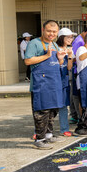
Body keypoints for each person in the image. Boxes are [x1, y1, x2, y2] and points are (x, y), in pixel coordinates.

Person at [24, 20, 66, 149]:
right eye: (49, 31)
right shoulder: (34, 43)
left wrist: (60, 59)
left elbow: (58, 63)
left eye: (54, 32)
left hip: (54, 83)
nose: (51, 34)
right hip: (41, 84)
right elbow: (28, 60)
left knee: (53, 110)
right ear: (43, 30)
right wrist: (47, 55)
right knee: (42, 111)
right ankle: (39, 139)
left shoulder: (54, 44)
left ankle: (48, 135)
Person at [56, 28, 76, 136]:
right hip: (54, 81)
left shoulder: (69, 50)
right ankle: (40, 131)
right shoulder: (55, 49)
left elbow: (69, 68)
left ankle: (64, 129)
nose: (70, 39)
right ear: (61, 37)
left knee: (64, 106)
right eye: (68, 37)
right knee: (50, 107)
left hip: (64, 81)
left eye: (72, 37)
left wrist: (70, 56)